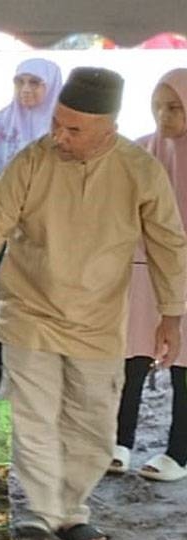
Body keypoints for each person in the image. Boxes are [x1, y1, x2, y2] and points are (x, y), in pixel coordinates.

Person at [0, 68, 187, 540]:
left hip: (98, 322)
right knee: (30, 414)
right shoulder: (32, 162)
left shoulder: (138, 170)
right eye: (57, 122)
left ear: (109, 127)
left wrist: (172, 313)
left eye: (74, 129)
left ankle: (70, 508)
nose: (58, 134)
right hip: (29, 312)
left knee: (95, 426)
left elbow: (168, 242)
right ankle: (47, 512)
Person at [113, 69, 187, 482]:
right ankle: (120, 441)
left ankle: (179, 452)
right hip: (142, 271)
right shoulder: (141, 153)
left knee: (184, 368)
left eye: (174, 107)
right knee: (133, 355)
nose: (164, 116)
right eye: (158, 106)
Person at [0, 58, 62, 396]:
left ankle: (35, 391)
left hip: (48, 239)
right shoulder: (0, 124)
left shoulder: (62, 129)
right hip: (5, 235)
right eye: (20, 82)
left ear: (51, 86)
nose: (26, 90)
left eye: (35, 83)